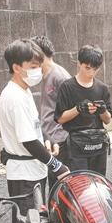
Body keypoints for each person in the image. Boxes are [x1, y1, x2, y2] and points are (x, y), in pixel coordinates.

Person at [0, 39, 69, 217]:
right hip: (24, 176)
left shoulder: (25, 91)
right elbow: (28, 140)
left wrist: (48, 140)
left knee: (39, 220)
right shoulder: (15, 97)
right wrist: (56, 166)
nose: (38, 71)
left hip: (34, 171)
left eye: (39, 66)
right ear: (16, 68)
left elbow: (34, 125)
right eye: (33, 67)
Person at [55, 45, 112, 175]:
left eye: (95, 69)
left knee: (98, 181)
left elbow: (108, 120)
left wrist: (102, 110)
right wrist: (78, 109)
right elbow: (60, 118)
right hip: (76, 145)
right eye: (87, 67)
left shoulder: (102, 88)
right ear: (79, 63)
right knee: (79, 182)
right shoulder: (67, 87)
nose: (91, 72)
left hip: (98, 143)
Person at [31, 35, 71, 189]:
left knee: (59, 185)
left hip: (59, 141)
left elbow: (72, 109)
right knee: (53, 184)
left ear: (39, 53)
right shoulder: (45, 75)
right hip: (50, 139)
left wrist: (60, 138)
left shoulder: (59, 76)